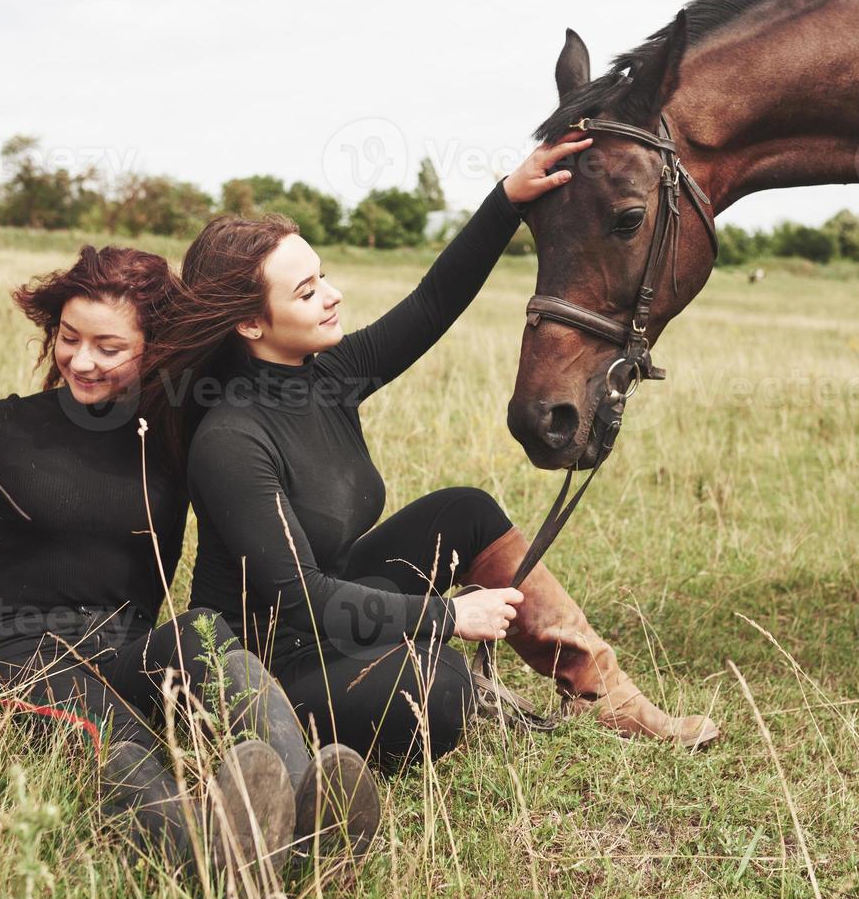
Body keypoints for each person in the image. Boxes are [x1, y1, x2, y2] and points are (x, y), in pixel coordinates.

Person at [151, 135, 720, 770]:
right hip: (267, 664)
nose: (332, 294)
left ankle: (605, 695)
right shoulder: (231, 440)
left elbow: (431, 304)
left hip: (333, 622)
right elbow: (301, 600)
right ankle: (301, 742)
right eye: (306, 292)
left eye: (323, 276)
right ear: (251, 324)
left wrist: (508, 199)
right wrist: (447, 615)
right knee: (439, 684)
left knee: (465, 510)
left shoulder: (328, 373)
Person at [0, 244, 381, 878]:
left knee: (208, 637)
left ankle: (308, 812)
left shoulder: (175, 437)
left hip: (128, 650)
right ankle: (208, 855)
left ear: (154, 349)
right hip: (19, 657)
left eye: (109, 347)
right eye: (69, 338)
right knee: (119, 739)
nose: (82, 360)